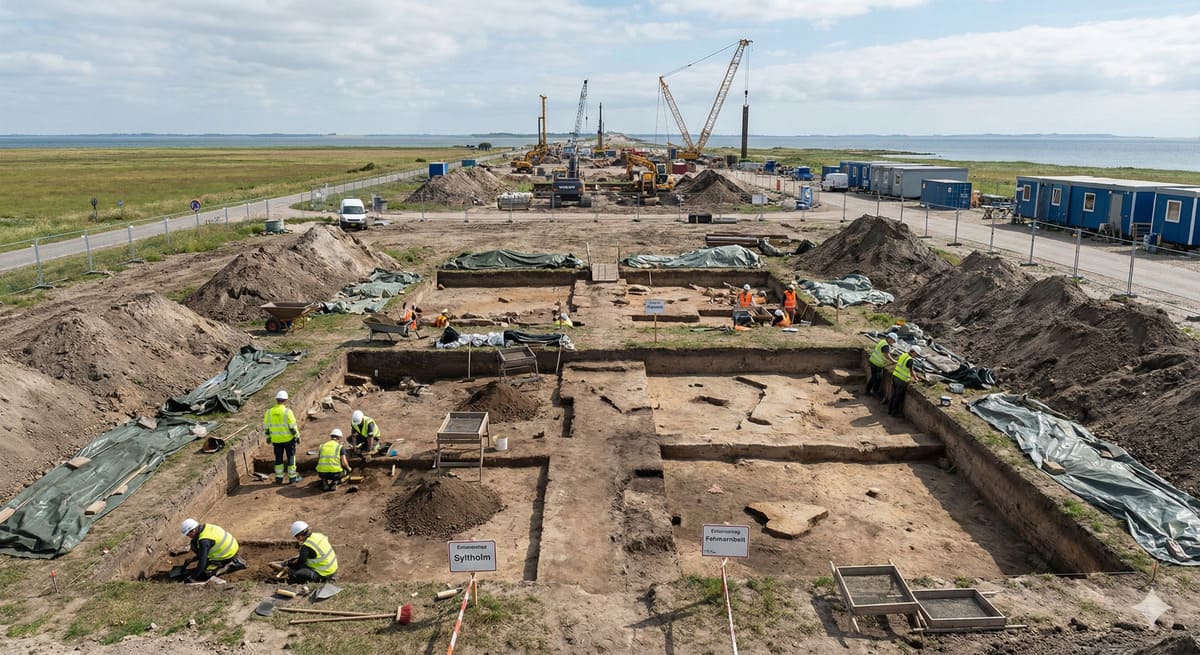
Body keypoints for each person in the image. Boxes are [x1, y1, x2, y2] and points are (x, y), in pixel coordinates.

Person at [179, 518, 245, 582]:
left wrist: (192, 578)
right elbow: (204, 550)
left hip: (227, 553)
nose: (188, 536)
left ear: (193, 530)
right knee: (194, 543)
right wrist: (193, 559)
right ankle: (230, 559)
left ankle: (231, 565)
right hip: (233, 545)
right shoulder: (206, 527)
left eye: (188, 534)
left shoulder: (204, 541)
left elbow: (202, 563)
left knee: (205, 574)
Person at [264, 390, 301, 484]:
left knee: (278, 459)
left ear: (277, 400)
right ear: (285, 400)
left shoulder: (269, 412)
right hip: (288, 440)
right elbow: (292, 427)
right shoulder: (287, 412)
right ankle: (292, 478)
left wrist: (268, 437)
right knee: (291, 458)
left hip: (276, 441)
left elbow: (266, 427)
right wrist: (297, 436)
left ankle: (279, 479)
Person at [888, 345, 923, 417]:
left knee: (893, 394)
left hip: (895, 376)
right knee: (897, 397)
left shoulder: (903, 355)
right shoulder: (910, 359)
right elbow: (911, 371)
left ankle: (890, 410)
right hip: (901, 380)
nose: (916, 356)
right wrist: (916, 378)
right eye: (916, 354)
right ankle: (894, 412)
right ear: (913, 352)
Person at [866, 333, 898, 400]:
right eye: (893, 341)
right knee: (877, 379)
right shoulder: (886, 345)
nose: (893, 342)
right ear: (889, 338)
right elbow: (887, 355)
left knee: (873, 378)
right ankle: (875, 393)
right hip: (877, 364)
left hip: (873, 361)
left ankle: (868, 391)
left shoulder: (882, 341)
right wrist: (893, 361)